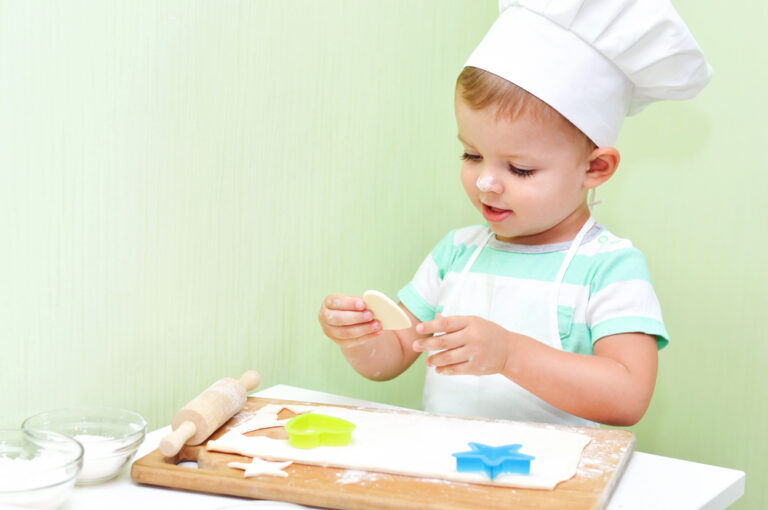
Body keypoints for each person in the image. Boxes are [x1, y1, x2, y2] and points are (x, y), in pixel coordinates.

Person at [318, 0, 711, 427]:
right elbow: (391, 359)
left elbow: (628, 397)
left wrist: (509, 354)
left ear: (595, 168)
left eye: (520, 168)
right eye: (471, 154)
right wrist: (360, 339)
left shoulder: (609, 269)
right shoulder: (455, 254)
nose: (486, 182)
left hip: (553, 486)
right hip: (448, 477)